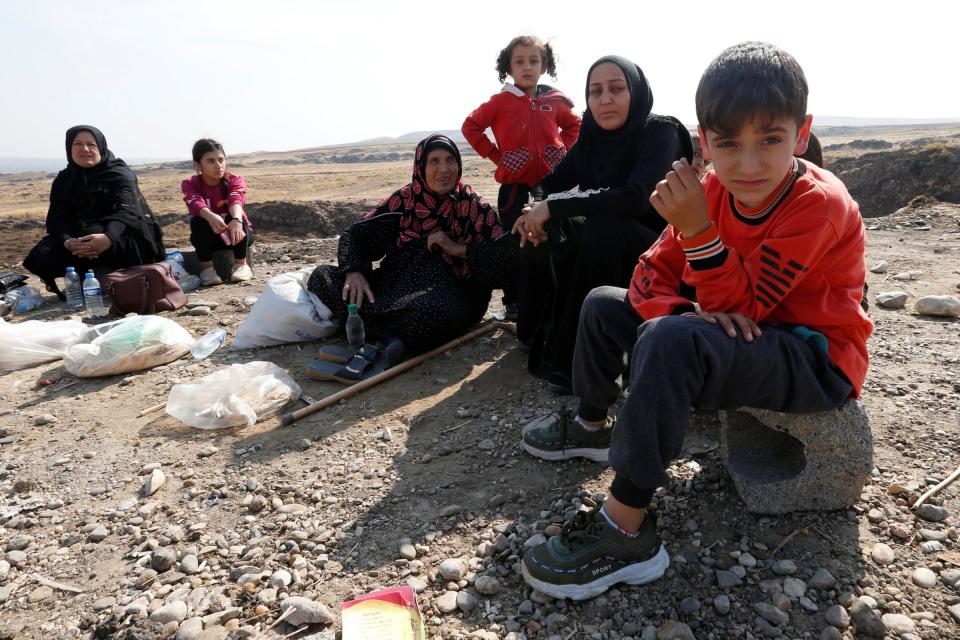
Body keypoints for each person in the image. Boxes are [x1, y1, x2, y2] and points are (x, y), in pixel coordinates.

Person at [519, 42, 873, 601]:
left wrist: (699, 239)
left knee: (671, 339)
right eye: (729, 143)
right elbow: (648, 273)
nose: (749, 163)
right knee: (604, 303)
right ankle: (592, 425)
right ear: (704, 142)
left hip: (815, 359)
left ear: (801, 134)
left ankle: (624, 528)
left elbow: (751, 308)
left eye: (771, 140)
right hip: (742, 338)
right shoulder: (711, 185)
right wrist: (690, 311)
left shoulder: (819, 202)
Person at [512, 55, 692, 393]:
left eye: (616, 88)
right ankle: (543, 338)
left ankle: (584, 368)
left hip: (658, 254)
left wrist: (555, 204)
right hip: (601, 247)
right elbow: (547, 183)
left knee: (604, 227)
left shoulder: (660, 132)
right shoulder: (591, 140)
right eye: (595, 91)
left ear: (635, 92)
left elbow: (636, 198)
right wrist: (535, 208)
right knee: (540, 230)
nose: (605, 99)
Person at [306, 134, 517, 366]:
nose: (444, 169)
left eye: (449, 160)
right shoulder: (405, 200)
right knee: (322, 277)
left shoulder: (474, 206)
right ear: (421, 166)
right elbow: (355, 235)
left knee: (431, 315)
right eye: (434, 161)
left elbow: (505, 258)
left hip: (452, 295)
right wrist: (354, 272)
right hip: (393, 288)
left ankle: (375, 329)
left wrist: (457, 249)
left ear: (459, 164)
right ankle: (389, 334)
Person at [462, 36, 581, 318]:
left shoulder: (555, 100)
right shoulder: (500, 102)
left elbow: (575, 126)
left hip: (552, 187)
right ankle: (516, 302)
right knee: (516, 241)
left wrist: (560, 153)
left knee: (554, 236)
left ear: (544, 66)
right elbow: (471, 127)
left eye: (533, 61)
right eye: (519, 61)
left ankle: (555, 299)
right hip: (515, 187)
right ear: (509, 67)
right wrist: (497, 157)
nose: (527, 67)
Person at [23, 125, 165, 298]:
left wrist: (108, 238)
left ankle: (108, 274)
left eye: (91, 144)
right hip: (83, 241)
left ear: (101, 147)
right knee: (40, 255)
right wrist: (68, 241)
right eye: (78, 144)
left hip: (123, 234)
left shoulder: (119, 173)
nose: (85, 149)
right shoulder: (64, 180)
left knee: (91, 233)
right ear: (69, 148)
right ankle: (89, 276)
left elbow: (126, 211)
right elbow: (57, 219)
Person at [181, 139, 253, 285]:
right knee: (198, 221)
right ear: (198, 165)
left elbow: (236, 198)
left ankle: (241, 266)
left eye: (221, 160)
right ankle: (208, 271)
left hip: (238, 236)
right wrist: (210, 216)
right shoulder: (190, 183)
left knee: (238, 218)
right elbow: (195, 202)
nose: (218, 165)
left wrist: (236, 220)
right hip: (209, 240)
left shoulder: (235, 179)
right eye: (211, 161)